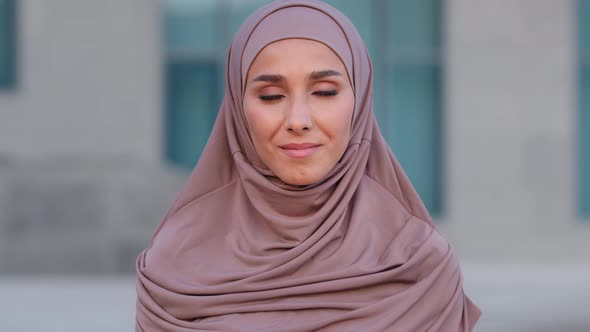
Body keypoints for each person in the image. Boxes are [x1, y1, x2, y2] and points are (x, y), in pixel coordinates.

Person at [135, 0, 481, 331]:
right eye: (271, 95)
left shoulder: (418, 262)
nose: (297, 120)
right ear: (237, 109)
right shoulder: (173, 266)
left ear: (359, 101)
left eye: (325, 92)